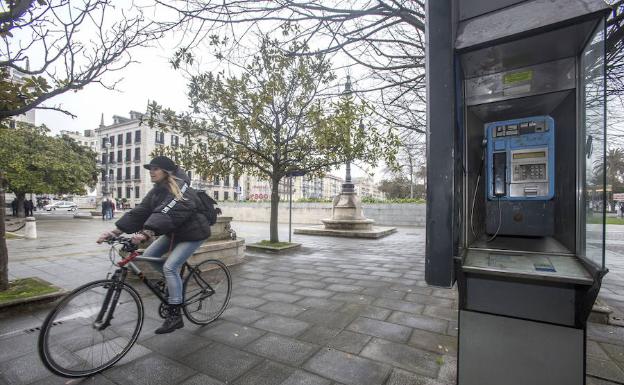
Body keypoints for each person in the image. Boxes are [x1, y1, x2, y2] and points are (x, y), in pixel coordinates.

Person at [96, 156, 211, 334]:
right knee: (150, 255)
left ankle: (175, 315)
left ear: (167, 171)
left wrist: (146, 232)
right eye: (150, 168)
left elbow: (167, 211)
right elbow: (140, 211)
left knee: (171, 268)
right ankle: (174, 286)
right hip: (175, 232)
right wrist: (115, 232)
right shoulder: (157, 190)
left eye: (156, 168)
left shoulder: (181, 188)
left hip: (194, 233)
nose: (151, 171)